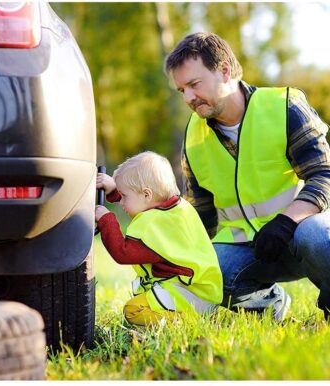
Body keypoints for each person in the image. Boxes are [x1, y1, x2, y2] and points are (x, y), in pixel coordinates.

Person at [164, 31, 330, 321]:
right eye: (182, 91)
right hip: (249, 249)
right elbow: (199, 218)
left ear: (224, 71)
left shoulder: (284, 106)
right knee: (210, 272)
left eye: (194, 84)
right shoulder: (193, 138)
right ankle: (272, 305)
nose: (188, 97)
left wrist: (286, 222)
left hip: (302, 230)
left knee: (316, 236)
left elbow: (324, 176)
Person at [95, 151, 223, 326]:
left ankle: (185, 321)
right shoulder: (176, 209)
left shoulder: (153, 224)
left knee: (133, 310)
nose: (122, 202)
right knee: (144, 300)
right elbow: (139, 200)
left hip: (190, 294)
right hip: (204, 289)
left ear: (147, 194)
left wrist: (106, 220)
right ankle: (199, 313)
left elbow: (122, 253)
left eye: (123, 196)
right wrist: (115, 190)